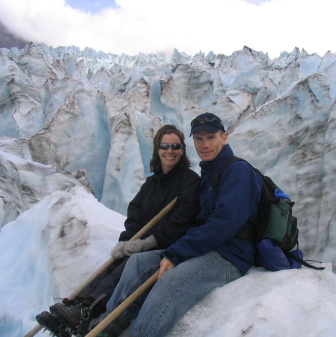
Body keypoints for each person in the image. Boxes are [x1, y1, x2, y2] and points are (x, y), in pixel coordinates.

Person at [94, 112, 263, 337]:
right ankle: (110, 324)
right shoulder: (210, 171)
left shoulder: (238, 171)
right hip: (207, 248)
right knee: (138, 262)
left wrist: (178, 252)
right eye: (199, 139)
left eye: (210, 138)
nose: (204, 144)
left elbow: (224, 223)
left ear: (224, 137)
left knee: (170, 280)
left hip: (230, 254)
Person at [35, 124, 200, 337]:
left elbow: (181, 222)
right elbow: (135, 214)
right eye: (165, 146)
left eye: (175, 146)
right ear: (157, 149)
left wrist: (145, 243)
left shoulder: (190, 182)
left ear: (182, 150)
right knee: (113, 264)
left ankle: (87, 311)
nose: (170, 151)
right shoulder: (151, 183)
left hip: (166, 246)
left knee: (128, 266)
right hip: (143, 242)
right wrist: (127, 241)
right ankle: (73, 307)